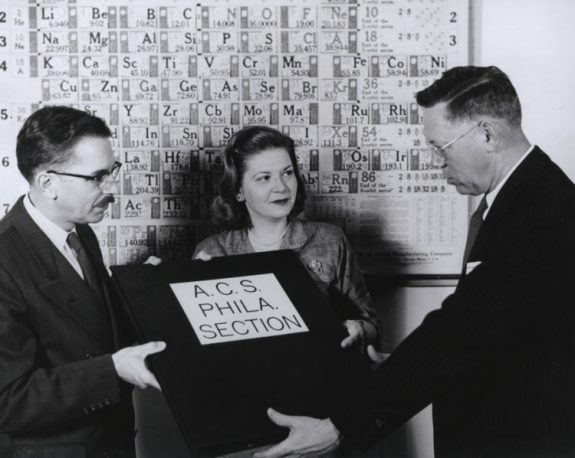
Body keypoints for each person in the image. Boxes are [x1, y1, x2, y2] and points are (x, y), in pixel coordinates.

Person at [253, 66, 575, 458]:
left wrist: (341, 426)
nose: (437, 165)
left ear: (487, 135)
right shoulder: (523, 198)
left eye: (440, 148)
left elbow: (461, 332)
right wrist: (405, 366)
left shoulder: (542, 212)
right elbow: (488, 330)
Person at [0, 106, 166, 458]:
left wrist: (153, 290)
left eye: (111, 172)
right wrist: (112, 370)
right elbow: (9, 401)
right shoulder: (4, 259)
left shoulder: (81, 235)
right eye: (96, 177)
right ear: (48, 182)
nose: (110, 189)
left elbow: (90, 329)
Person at [193, 125, 381, 352]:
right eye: (264, 178)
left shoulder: (330, 240)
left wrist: (358, 329)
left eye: (288, 173)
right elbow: (194, 341)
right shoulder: (212, 252)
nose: (281, 187)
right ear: (239, 190)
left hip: (318, 379)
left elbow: (371, 323)